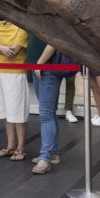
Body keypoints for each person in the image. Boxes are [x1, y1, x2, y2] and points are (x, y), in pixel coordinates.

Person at [0, 19, 30, 161]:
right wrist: (4, 49)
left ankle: (21, 147)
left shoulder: (22, 27)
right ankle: (11, 146)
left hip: (15, 74)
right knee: (7, 111)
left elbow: (15, 50)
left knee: (17, 111)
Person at [27, 37, 63, 174]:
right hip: (39, 67)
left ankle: (45, 156)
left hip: (46, 67)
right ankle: (52, 152)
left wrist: (40, 63)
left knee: (46, 114)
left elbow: (54, 41)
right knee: (49, 113)